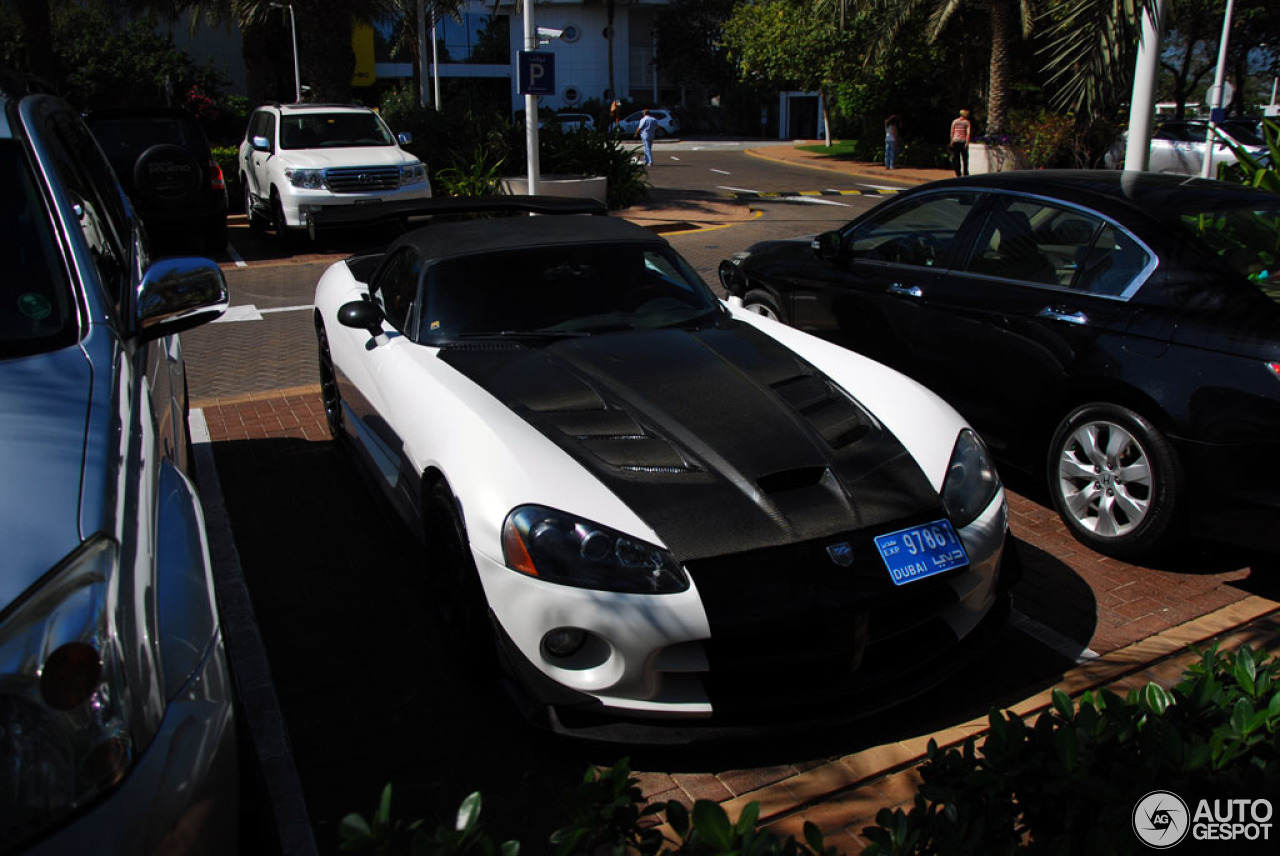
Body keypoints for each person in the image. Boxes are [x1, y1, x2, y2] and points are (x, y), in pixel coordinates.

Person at [949, 109, 972, 177]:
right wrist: (967, 142)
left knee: (957, 158)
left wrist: (952, 140)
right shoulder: (967, 122)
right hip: (963, 141)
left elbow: (952, 132)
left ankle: (957, 173)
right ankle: (965, 173)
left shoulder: (955, 121)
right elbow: (968, 133)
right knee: (965, 159)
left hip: (956, 141)